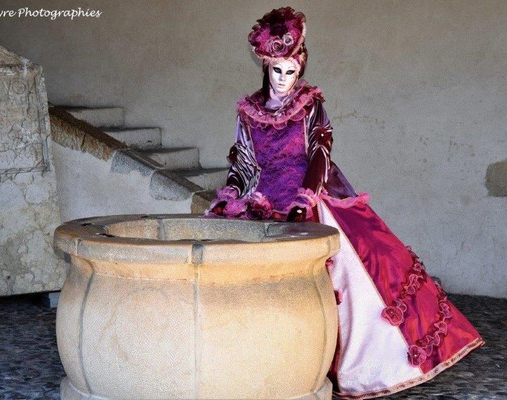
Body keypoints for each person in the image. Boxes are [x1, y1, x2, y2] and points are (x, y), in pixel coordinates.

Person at [206, 7, 484, 399]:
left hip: (312, 196)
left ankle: (345, 368)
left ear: (299, 69)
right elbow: (245, 158)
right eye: (277, 71)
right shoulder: (250, 111)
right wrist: (231, 194)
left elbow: (320, 150)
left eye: (291, 71)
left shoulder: (310, 104)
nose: (285, 80)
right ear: (265, 67)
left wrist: (306, 198)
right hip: (265, 200)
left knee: (353, 281)